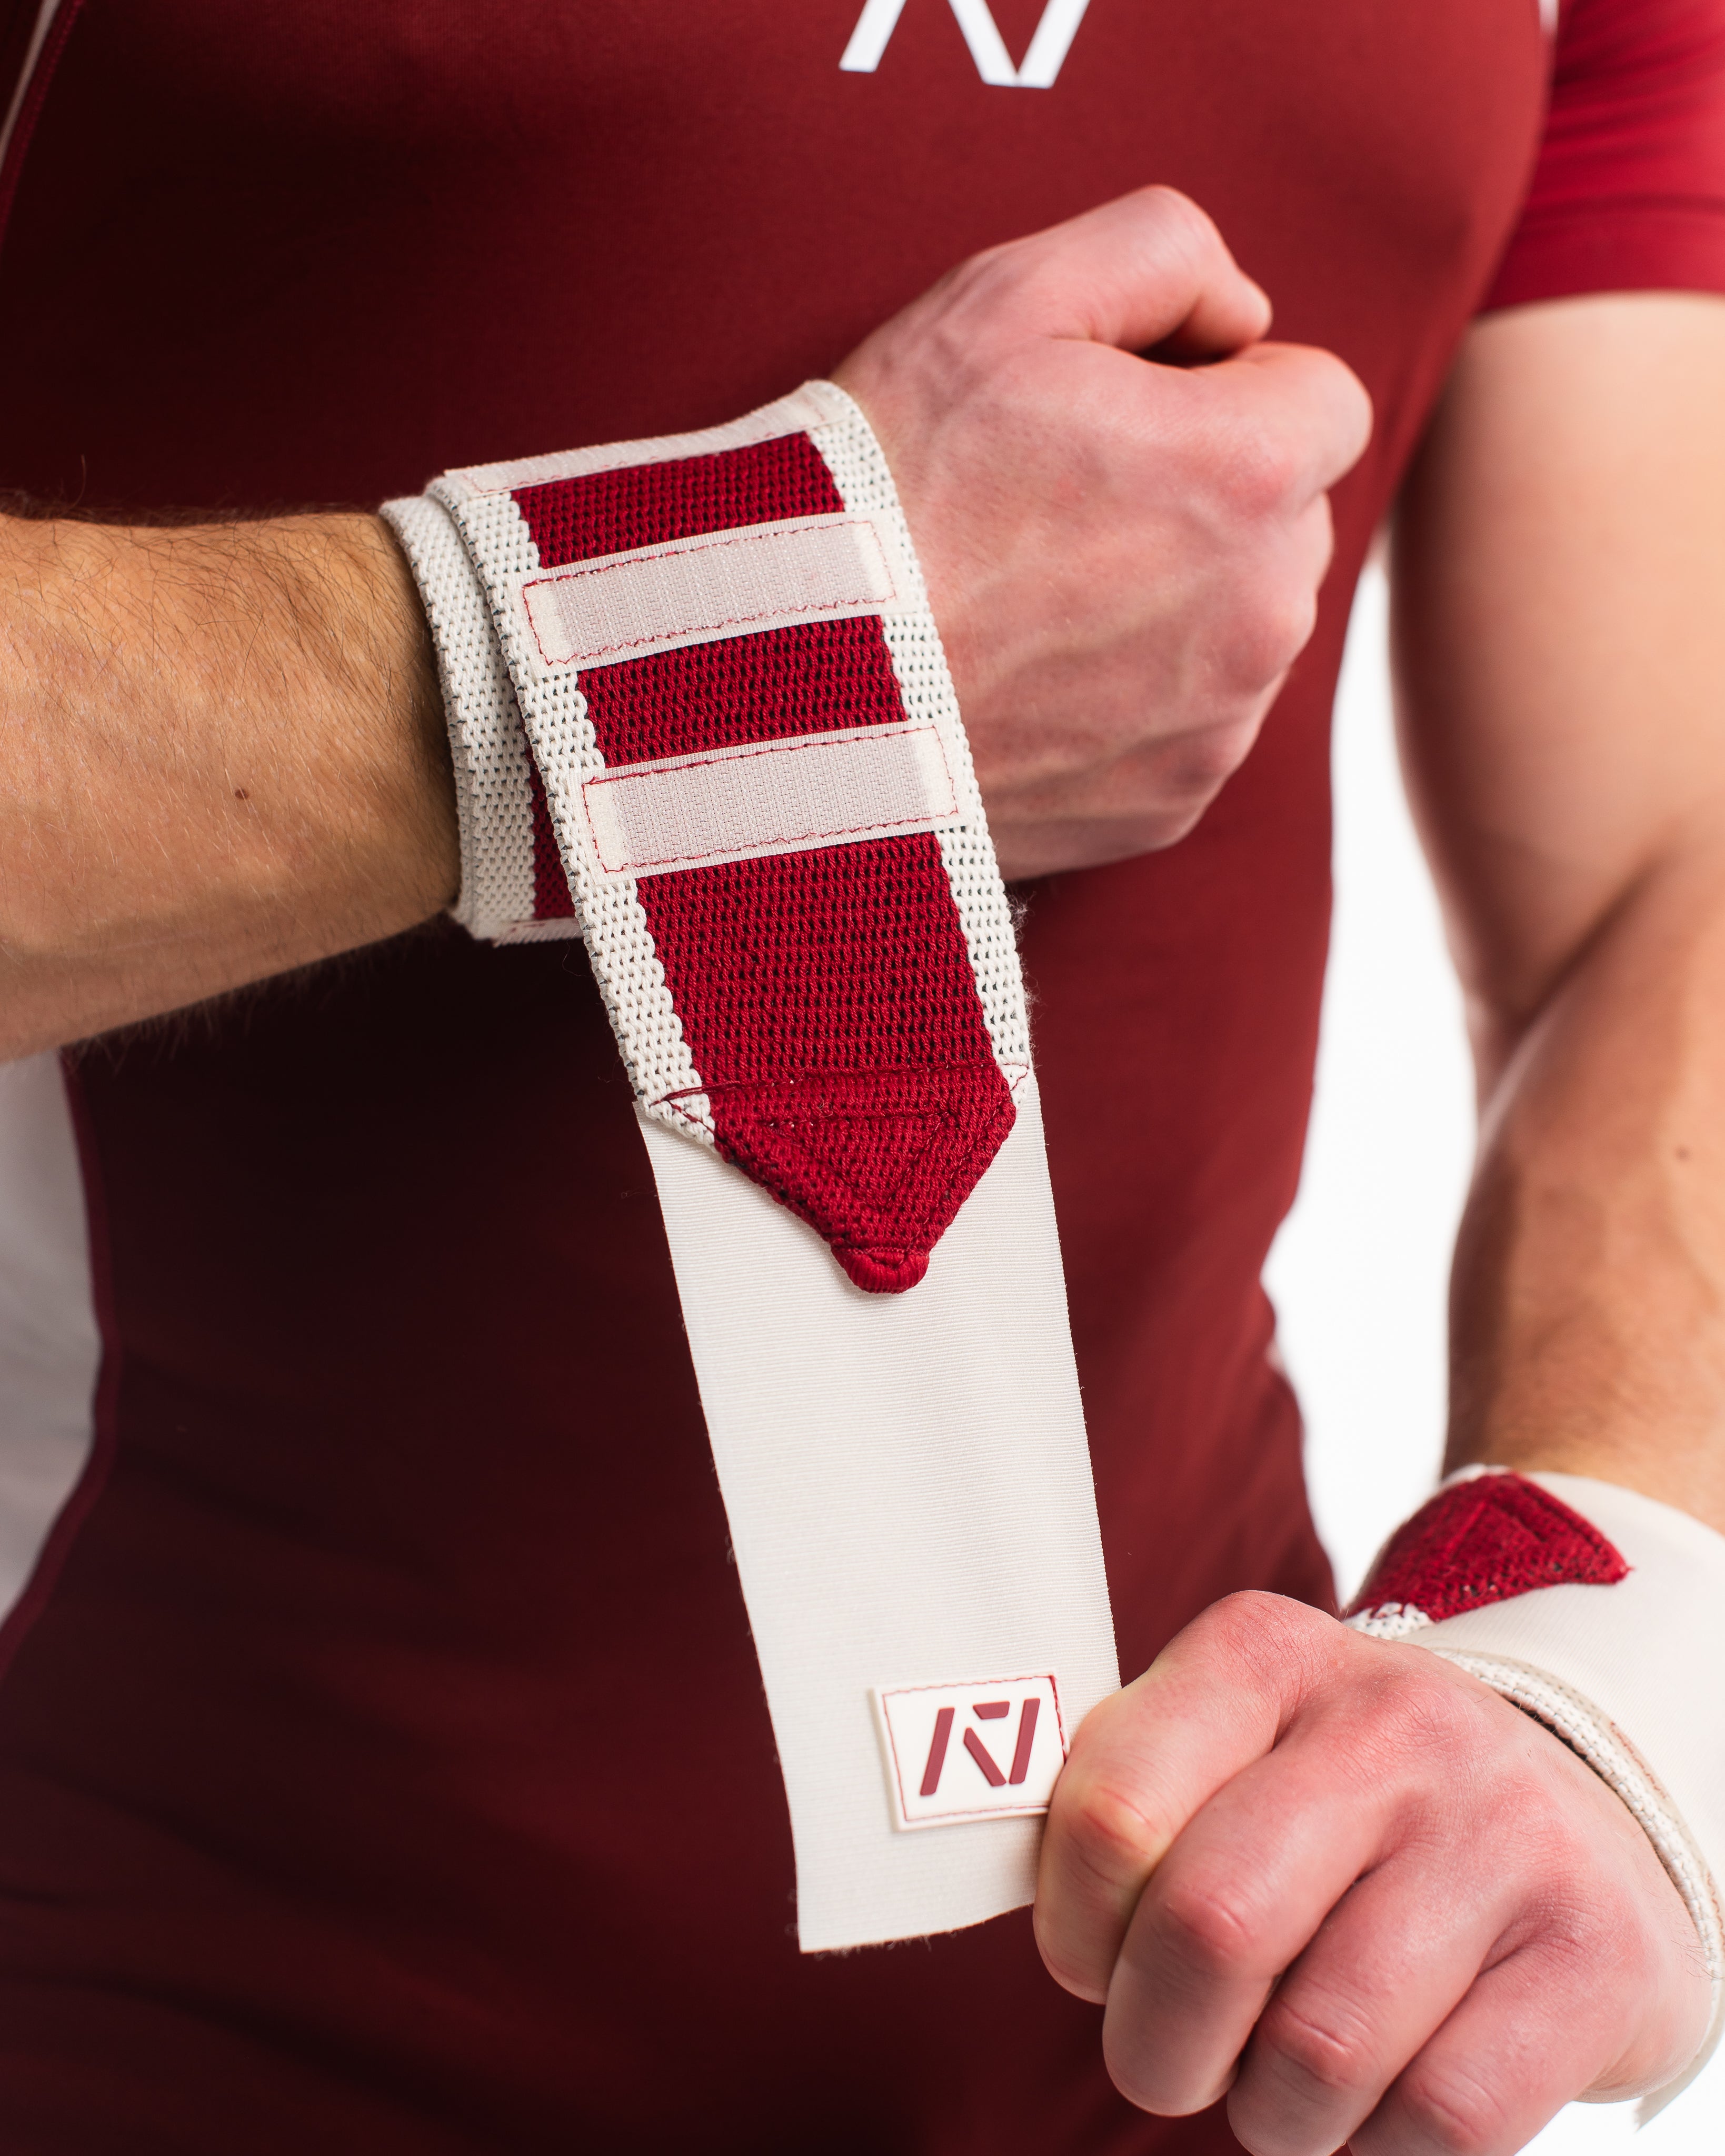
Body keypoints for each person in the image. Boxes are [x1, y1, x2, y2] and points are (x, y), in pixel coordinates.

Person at [0, 0, 1722, 2150]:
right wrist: (710, 643)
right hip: (121, 2002)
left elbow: (1663, 852)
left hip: (1188, 2021)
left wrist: (1599, 1620)